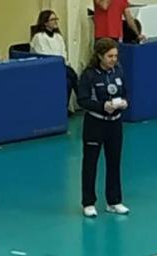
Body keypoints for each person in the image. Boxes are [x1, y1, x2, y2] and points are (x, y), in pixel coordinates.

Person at [77, 38, 131, 218]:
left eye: (115, 56)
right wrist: (102, 106)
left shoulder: (119, 71)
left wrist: (124, 103)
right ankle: (88, 202)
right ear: (100, 56)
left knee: (114, 162)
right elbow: (83, 100)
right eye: (110, 56)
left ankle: (114, 201)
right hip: (95, 124)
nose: (113, 59)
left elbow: (125, 92)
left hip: (115, 124)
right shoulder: (89, 75)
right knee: (90, 163)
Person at [31, 10, 79, 107]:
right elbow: (44, 55)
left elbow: (63, 53)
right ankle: (82, 98)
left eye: (56, 19)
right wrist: (59, 63)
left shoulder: (58, 37)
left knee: (68, 82)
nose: (56, 21)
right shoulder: (39, 37)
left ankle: (63, 108)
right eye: (53, 19)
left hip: (60, 66)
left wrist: (61, 63)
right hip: (46, 69)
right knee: (71, 74)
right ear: (45, 23)